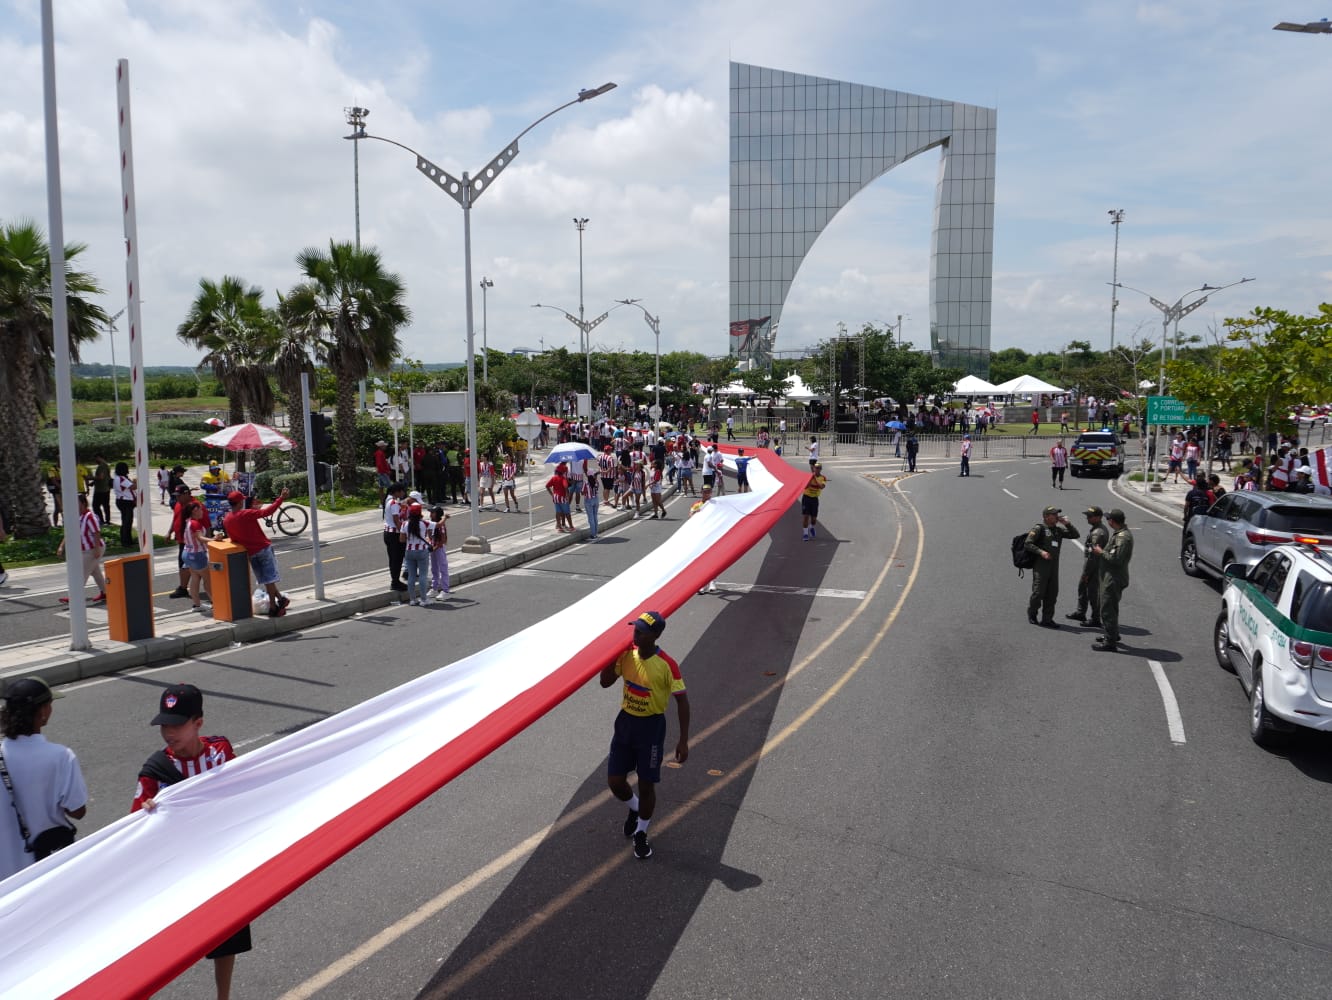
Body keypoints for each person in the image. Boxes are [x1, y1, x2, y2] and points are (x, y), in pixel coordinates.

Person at [132, 684, 250, 999]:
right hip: (179, 865)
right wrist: (146, 811)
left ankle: (222, 995)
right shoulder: (154, 772)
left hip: (221, 858)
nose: (168, 732)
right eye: (164, 725)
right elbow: (133, 826)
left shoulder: (220, 751)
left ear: (198, 722)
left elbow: (242, 786)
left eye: (177, 724)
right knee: (174, 941)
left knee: (228, 936)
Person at [600, 611, 690, 861]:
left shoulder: (667, 665)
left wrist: (683, 740)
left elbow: (682, 702)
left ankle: (641, 832)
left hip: (651, 728)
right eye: (634, 629)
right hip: (626, 723)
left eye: (641, 631)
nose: (635, 634)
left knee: (646, 784)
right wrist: (610, 657)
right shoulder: (626, 654)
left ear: (656, 635)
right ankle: (636, 808)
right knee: (615, 782)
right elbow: (605, 682)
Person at [0, 677, 87, 880]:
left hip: (6, 874)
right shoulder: (60, 756)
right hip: (47, 866)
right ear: (42, 712)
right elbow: (77, 811)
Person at [222, 489, 291, 617]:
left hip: (250, 553)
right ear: (240, 502)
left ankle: (281, 599)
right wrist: (281, 498)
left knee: (266, 580)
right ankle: (272, 606)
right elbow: (267, 512)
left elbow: (233, 539)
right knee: (269, 579)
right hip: (263, 549)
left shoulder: (227, 520)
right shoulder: (246, 514)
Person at [1022, 505, 1079, 627]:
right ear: (1046, 517)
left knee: (1052, 593)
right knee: (1038, 592)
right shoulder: (1039, 529)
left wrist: (1067, 524)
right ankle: (1032, 613)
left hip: (1054, 566)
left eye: (1057, 514)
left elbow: (1075, 535)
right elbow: (1027, 544)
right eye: (1054, 514)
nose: (1057, 516)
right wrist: (1041, 552)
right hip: (1041, 565)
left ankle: (1047, 619)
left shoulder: (1058, 530)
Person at [1092, 509, 1134, 652]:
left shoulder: (1123, 537)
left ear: (1112, 521)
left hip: (1113, 578)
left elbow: (1116, 559)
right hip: (1110, 576)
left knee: (1108, 610)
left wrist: (1100, 552)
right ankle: (1112, 634)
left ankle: (1110, 642)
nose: (1107, 521)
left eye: (1108, 519)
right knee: (1111, 608)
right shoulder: (1119, 533)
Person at [56, 495, 106, 605]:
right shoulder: (77, 517)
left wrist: (96, 550)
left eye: (77, 502)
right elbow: (69, 532)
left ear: (83, 503)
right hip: (85, 550)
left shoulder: (89, 516)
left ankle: (74, 596)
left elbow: (96, 532)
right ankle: (106, 592)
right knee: (95, 572)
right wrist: (61, 546)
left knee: (81, 573)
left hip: (92, 549)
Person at [1067, 506, 1108, 627]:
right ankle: (1081, 612)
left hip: (1094, 567)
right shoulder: (1097, 529)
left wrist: (1086, 573)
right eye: (1087, 516)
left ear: (1098, 517)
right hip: (1094, 565)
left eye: (1090, 516)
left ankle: (1095, 618)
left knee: (1092, 593)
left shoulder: (1097, 533)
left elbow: (1093, 556)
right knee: (1082, 589)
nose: (1087, 518)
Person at [180, 498, 212, 612]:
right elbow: (200, 538)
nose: (203, 511)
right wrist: (213, 540)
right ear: (195, 511)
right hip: (197, 555)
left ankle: (197, 605)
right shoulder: (195, 523)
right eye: (201, 509)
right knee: (208, 580)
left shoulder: (188, 521)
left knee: (195, 579)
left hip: (187, 554)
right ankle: (217, 603)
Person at [399, 502, 432, 606]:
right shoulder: (424, 523)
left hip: (409, 552)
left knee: (411, 576)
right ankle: (424, 599)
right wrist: (444, 518)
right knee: (423, 576)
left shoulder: (404, 524)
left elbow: (401, 540)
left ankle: (412, 599)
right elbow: (438, 525)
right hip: (422, 551)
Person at [381, 482, 407, 592]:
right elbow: (397, 520)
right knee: (397, 558)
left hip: (388, 533)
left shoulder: (388, 500)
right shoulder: (394, 503)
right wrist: (403, 532)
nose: (404, 493)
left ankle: (395, 580)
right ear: (397, 491)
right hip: (394, 534)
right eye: (402, 491)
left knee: (393, 558)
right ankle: (395, 582)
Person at [112, 461, 137, 548]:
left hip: (122, 501)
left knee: (127, 521)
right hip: (126, 502)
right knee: (127, 522)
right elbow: (133, 487)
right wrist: (135, 481)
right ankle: (125, 542)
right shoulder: (122, 479)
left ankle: (128, 540)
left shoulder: (117, 478)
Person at [427, 506, 450, 598]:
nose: (430, 514)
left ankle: (445, 590)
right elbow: (429, 536)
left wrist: (434, 548)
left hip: (439, 549)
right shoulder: (431, 524)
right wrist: (429, 542)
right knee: (434, 569)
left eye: (432, 512)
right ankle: (434, 588)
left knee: (443, 569)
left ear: (437, 514)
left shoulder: (441, 525)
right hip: (433, 548)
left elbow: (443, 540)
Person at [546, 462, 574, 533]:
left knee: (558, 512)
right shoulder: (563, 478)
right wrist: (567, 495)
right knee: (567, 512)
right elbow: (566, 486)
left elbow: (547, 486)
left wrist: (552, 494)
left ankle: (559, 527)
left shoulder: (554, 478)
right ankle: (571, 526)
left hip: (555, 497)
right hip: (562, 497)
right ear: (563, 472)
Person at [802, 463, 827, 540]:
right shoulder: (809, 476)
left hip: (814, 499)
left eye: (819, 468)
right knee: (806, 517)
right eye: (816, 468)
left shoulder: (823, 478)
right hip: (806, 498)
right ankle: (805, 534)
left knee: (813, 519)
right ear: (814, 469)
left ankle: (812, 527)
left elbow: (821, 487)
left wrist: (814, 478)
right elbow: (805, 487)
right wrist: (810, 479)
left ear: (821, 469)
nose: (817, 469)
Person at [90, 454, 112, 526]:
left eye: (95, 459)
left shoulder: (101, 466)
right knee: (106, 506)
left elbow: (101, 477)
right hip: (106, 488)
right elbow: (106, 477)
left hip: (100, 490)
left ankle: (101, 521)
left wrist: (90, 477)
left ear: (99, 457)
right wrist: (93, 482)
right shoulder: (106, 465)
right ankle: (107, 521)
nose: (95, 461)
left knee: (95, 506)